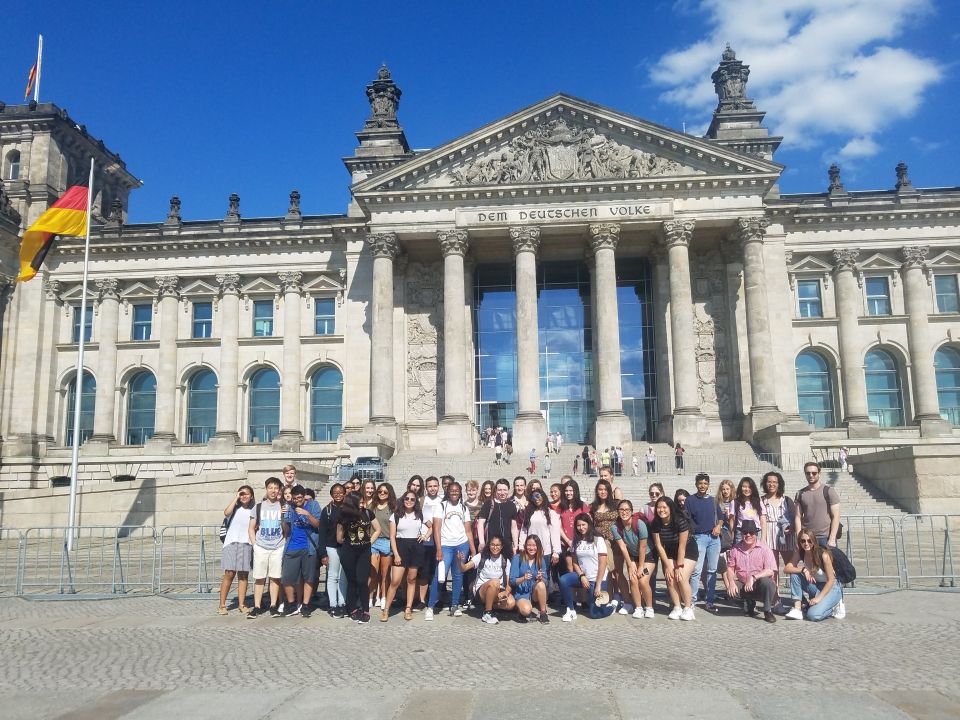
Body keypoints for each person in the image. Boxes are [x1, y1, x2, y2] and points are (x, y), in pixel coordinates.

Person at [794, 461, 844, 618]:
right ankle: (813, 598)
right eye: (808, 473)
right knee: (811, 570)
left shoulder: (829, 491)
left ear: (819, 473)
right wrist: (799, 537)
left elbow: (836, 516)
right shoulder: (801, 493)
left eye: (814, 473)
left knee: (832, 572)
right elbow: (797, 517)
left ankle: (838, 600)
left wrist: (832, 538)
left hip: (824, 538)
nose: (811, 475)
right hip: (808, 538)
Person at [427, 481, 476, 619]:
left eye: (457, 490)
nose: (454, 492)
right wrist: (438, 549)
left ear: (460, 492)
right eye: (452, 490)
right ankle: (430, 606)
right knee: (439, 575)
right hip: (446, 545)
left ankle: (454, 605)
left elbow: (468, 530)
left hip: (461, 544)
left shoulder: (463, 508)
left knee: (458, 575)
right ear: (448, 492)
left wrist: (472, 549)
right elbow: (436, 529)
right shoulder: (441, 506)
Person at [383, 491, 431, 622]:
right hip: (401, 547)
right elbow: (392, 537)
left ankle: (408, 608)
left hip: (416, 547)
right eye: (406, 498)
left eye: (412, 499)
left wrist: (425, 536)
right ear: (403, 499)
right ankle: (386, 609)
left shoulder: (419, 514)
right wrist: (396, 554)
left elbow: (431, 527)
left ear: (416, 501)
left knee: (412, 579)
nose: (409, 501)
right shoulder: (396, 515)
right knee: (395, 581)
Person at [558, 513, 614, 621]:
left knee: (594, 614)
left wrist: (598, 585)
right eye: (578, 525)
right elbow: (574, 561)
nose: (581, 528)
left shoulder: (598, 540)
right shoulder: (576, 540)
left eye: (584, 524)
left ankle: (611, 607)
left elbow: (603, 564)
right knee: (563, 580)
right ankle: (570, 610)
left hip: (598, 579)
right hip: (584, 577)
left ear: (589, 524)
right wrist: (581, 575)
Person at [650, 497, 699, 621]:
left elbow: (682, 546)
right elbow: (659, 546)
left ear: (670, 508)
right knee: (670, 577)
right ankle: (677, 607)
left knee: (681, 577)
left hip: (688, 550)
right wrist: (668, 566)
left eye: (664, 507)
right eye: (659, 507)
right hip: (670, 551)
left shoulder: (680, 521)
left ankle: (688, 607)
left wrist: (679, 566)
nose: (661, 510)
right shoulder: (656, 523)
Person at [336, 492, 381, 623]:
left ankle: (365, 609)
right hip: (348, 551)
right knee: (352, 581)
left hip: (364, 551)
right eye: (360, 502)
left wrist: (369, 542)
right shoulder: (343, 515)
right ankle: (352, 608)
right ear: (352, 503)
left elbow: (377, 529)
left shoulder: (368, 513)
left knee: (362, 580)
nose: (362, 504)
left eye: (363, 502)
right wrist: (346, 542)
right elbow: (339, 536)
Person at [723, 519, 779, 623]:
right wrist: (731, 582)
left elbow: (770, 570)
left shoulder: (764, 548)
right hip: (743, 584)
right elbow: (730, 568)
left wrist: (753, 578)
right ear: (741, 533)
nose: (748, 535)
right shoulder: (735, 549)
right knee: (729, 592)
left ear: (756, 534)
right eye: (745, 532)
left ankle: (767, 611)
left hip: (759, 583)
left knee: (768, 583)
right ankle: (748, 602)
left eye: (751, 532)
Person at [783, 527, 843, 621]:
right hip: (816, 586)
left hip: (831, 587)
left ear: (814, 541)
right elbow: (786, 569)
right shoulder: (800, 552)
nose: (806, 544)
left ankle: (834, 606)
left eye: (809, 541)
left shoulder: (823, 555)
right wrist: (803, 569)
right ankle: (797, 609)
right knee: (795, 575)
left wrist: (818, 598)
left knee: (813, 615)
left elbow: (831, 580)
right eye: (803, 541)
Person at [685, 473, 725, 614]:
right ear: (696, 484)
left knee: (712, 571)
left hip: (713, 538)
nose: (703, 486)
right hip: (699, 538)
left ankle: (709, 601)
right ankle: (692, 600)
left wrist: (719, 526)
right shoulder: (690, 500)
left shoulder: (713, 501)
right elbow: (687, 518)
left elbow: (721, 518)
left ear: (708, 485)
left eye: (705, 483)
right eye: (700, 483)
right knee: (696, 571)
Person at [280, 485, 321, 617]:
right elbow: (286, 530)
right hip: (292, 546)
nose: (297, 500)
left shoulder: (314, 505)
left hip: (308, 547)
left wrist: (307, 515)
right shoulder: (289, 507)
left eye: (300, 497)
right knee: (286, 577)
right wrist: (282, 518)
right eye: (295, 498)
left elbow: (318, 525)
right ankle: (292, 604)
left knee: (308, 578)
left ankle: (306, 605)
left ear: (304, 496)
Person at [247, 477, 285, 618]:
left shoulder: (283, 506)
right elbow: (251, 528)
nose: (273, 491)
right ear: (266, 489)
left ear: (279, 490)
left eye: (276, 488)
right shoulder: (258, 507)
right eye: (271, 488)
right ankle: (257, 606)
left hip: (277, 546)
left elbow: (286, 527)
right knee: (259, 577)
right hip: (261, 546)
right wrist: (254, 544)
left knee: (275, 577)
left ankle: (273, 605)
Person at [457, 535, 516, 624]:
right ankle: (487, 613)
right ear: (489, 545)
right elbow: (464, 568)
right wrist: (459, 561)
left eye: (498, 545)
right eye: (492, 545)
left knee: (511, 603)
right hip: (481, 590)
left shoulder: (505, 560)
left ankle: (492, 606)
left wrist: (506, 593)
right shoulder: (481, 556)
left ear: (502, 546)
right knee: (495, 582)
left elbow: (508, 583)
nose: (495, 547)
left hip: (497, 589)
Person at [610, 500, 653, 618]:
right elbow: (623, 547)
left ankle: (649, 608)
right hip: (633, 555)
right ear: (618, 512)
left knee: (643, 581)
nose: (624, 512)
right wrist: (630, 564)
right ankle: (638, 607)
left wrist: (640, 566)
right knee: (633, 579)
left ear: (631, 511)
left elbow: (643, 547)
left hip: (648, 556)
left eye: (627, 510)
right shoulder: (615, 526)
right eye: (621, 510)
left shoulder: (639, 524)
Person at [218, 485, 255, 615]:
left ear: (251, 496)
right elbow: (226, 512)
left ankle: (242, 604)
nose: (244, 496)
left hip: (246, 543)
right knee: (229, 574)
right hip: (232, 543)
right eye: (242, 494)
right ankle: (222, 605)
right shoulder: (235, 509)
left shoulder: (253, 510)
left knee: (243, 575)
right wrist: (236, 497)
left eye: (247, 494)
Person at [590, 478, 622, 611]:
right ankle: (608, 598)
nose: (602, 492)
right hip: (601, 542)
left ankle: (620, 597)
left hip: (616, 541)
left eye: (605, 489)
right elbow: (591, 524)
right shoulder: (593, 506)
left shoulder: (616, 504)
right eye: (600, 489)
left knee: (617, 572)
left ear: (609, 491)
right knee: (607, 571)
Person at [317, 483, 347, 617]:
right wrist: (323, 553)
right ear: (331, 494)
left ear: (345, 493)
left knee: (343, 577)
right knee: (333, 576)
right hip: (331, 547)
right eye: (335, 492)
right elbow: (322, 533)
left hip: (346, 547)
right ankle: (333, 604)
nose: (338, 494)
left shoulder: (348, 509)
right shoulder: (327, 510)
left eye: (341, 492)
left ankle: (342, 603)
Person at [760, 471, 796, 574]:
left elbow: (794, 517)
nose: (772, 484)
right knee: (771, 568)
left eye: (775, 482)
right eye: (769, 482)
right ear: (765, 484)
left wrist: (791, 528)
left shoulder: (787, 500)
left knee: (791, 566)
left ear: (779, 484)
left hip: (786, 536)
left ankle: (796, 589)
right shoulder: (761, 500)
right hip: (768, 536)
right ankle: (775, 590)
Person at [417, 476, 444, 611]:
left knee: (437, 571)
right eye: (430, 486)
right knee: (424, 571)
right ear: (426, 487)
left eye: (435, 486)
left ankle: (437, 598)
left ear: (438, 486)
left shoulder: (443, 501)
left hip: (439, 540)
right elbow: (419, 517)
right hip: (425, 541)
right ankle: (422, 600)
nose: (432, 488)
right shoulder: (421, 501)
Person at [369, 482, 396, 610]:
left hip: (386, 541)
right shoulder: (372, 506)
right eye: (380, 491)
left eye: (385, 492)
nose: (382, 494)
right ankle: (371, 597)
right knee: (373, 572)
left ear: (389, 493)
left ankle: (383, 596)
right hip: (374, 541)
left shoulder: (393, 507)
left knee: (385, 574)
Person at [511, 535, 550, 623]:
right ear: (525, 546)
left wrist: (540, 579)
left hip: (534, 593)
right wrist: (523, 578)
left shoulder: (540, 560)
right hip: (521, 593)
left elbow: (546, 582)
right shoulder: (517, 558)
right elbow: (512, 581)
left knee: (541, 584)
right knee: (526, 610)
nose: (531, 548)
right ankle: (521, 610)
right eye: (529, 545)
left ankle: (543, 613)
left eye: (534, 545)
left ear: (538, 547)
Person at [519, 489, 561, 566]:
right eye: (533, 497)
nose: (536, 499)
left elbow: (555, 533)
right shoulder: (528, 513)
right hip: (530, 550)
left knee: (544, 576)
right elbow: (523, 530)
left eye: (538, 496)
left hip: (545, 552)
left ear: (543, 496)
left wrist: (556, 552)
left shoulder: (551, 513)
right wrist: (521, 546)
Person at [476, 478, 519, 553]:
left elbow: (514, 527)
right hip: (492, 545)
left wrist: (515, 545)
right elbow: (480, 524)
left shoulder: (512, 505)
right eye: (500, 490)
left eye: (505, 490)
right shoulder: (488, 504)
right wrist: (482, 542)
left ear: (508, 490)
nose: (502, 493)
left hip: (507, 545)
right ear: (496, 490)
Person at [734, 476, 765, 542]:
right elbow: (732, 521)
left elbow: (763, 520)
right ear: (740, 488)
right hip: (741, 533)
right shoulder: (736, 502)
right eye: (744, 486)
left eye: (749, 487)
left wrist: (763, 538)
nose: (747, 489)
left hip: (755, 533)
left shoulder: (758, 501)